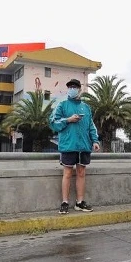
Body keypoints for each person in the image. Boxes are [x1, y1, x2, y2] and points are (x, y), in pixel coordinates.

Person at [49, 79, 100, 214]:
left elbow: (91, 126)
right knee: (67, 173)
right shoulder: (62, 105)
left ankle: (80, 202)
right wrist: (68, 120)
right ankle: (65, 202)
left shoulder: (86, 107)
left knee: (81, 173)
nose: (72, 89)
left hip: (84, 146)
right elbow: (53, 122)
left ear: (79, 89)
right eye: (70, 86)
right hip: (68, 145)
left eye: (75, 87)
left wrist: (95, 141)